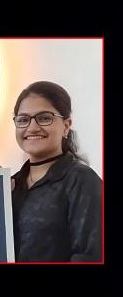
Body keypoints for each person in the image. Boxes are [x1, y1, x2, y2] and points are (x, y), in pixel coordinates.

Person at [11, 81, 102, 262]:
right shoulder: (11, 186)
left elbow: (91, 255)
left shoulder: (81, 180)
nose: (32, 127)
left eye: (44, 118)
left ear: (66, 126)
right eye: (23, 120)